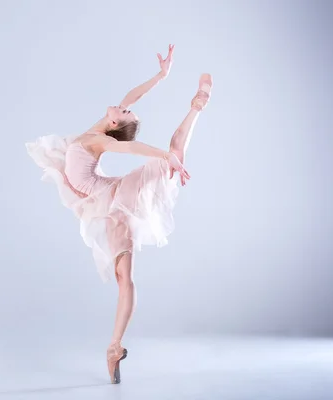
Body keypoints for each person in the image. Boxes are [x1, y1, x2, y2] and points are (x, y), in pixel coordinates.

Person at [25, 44, 212, 384]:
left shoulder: (103, 140)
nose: (125, 107)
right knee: (123, 277)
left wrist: (163, 156)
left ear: (115, 123)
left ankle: (196, 107)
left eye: (125, 112)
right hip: (105, 201)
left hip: (115, 199)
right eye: (126, 110)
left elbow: (127, 146)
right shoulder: (100, 126)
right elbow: (132, 95)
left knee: (171, 155)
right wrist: (161, 75)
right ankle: (114, 347)